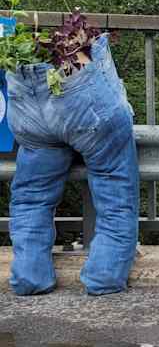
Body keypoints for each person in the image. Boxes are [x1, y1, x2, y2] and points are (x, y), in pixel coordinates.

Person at [7, 34, 140, 295]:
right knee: (114, 189)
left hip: (27, 101)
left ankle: (29, 277)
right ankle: (105, 277)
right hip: (80, 104)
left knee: (31, 197)